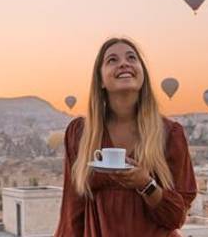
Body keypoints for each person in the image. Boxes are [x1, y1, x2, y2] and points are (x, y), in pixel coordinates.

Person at [54, 37, 197, 237]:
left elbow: (176, 217)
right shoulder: (80, 134)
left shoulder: (170, 134)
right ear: (101, 80)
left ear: (143, 74)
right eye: (112, 60)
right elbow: (72, 211)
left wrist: (146, 184)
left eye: (132, 58)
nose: (124, 63)